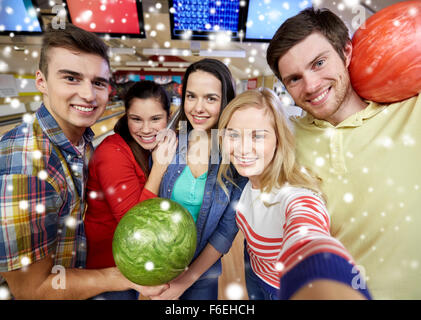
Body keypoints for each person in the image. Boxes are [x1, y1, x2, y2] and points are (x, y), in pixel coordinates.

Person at [0, 24, 166, 299]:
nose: (89, 95)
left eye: (98, 82)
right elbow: (33, 290)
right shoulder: (25, 163)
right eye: (71, 78)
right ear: (41, 81)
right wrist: (127, 276)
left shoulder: (82, 141)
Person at [266, 7, 421, 299]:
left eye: (319, 63)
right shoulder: (285, 140)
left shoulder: (412, 112)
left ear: (346, 52)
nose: (311, 86)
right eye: (294, 79)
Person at [217, 87, 371, 300]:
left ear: (279, 140)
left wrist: (324, 278)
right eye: (233, 134)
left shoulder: (293, 194)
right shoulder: (243, 178)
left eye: (258, 136)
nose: (243, 149)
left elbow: (308, 233)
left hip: (280, 289)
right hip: (254, 270)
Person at [152, 58, 247, 300]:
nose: (198, 108)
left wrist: (184, 282)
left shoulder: (235, 159)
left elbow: (226, 231)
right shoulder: (168, 146)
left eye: (210, 98)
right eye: (191, 96)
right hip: (161, 266)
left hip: (202, 274)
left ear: (224, 101)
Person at [84, 80, 177, 299]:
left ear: (169, 115)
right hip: (107, 271)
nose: (146, 129)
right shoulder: (111, 153)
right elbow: (134, 225)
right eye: (136, 119)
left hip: (130, 266)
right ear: (126, 116)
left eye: (155, 119)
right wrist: (160, 168)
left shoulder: (149, 148)